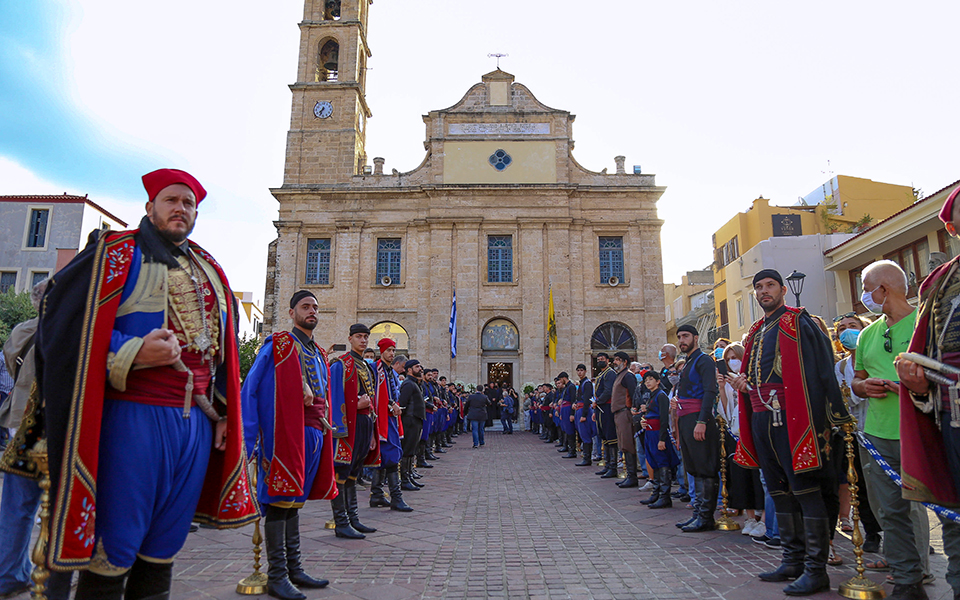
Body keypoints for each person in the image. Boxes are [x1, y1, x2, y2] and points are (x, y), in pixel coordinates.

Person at [36, 169, 258, 599]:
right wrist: (133, 352)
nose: (181, 209)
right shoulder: (115, 253)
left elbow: (221, 354)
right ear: (149, 207)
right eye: (171, 200)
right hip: (133, 416)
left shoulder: (209, 267)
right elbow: (62, 324)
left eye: (188, 203)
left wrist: (225, 411)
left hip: (195, 422)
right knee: (115, 545)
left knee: (164, 546)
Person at [730, 269, 851, 596]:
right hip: (761, 420)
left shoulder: (800, 322)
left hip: (796, 420)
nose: (763, 291)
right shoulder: (756, 330)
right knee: (779, 491)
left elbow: (823, 368)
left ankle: (816, 569)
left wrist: (833, 416)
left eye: (769, 285)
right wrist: (743, 385)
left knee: (806, 490)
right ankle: (792, 559)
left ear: (783, 289)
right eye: (758, 287)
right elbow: (754, 377)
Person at [242, 290, 336, 599]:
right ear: (292, 311)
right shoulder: (279, 345)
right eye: (305, 306)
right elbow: (254, 387)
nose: (311, 311)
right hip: (285, 434)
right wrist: (252, 438)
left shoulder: (318, 352)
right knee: (279, 502)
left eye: (315, 307)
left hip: (314, 434)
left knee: (295, 502)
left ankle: (294, 568)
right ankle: (277, 575)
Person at [897, 184, 960, 600]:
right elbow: (928, 351)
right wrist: (918, 385)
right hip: (952, 414)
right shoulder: (942, 281)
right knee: (955, 515)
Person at [852, 261, 929, 600]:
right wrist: (862, 385)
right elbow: (856, 377)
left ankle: (923, 569)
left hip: (921, 432)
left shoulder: (926, 324)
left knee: (920, 506)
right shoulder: (868, 333)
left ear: (884, 290)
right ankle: (906, 578)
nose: (864, 296)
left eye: (867, 288)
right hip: (877, 436)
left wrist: (913, 386)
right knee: (889, 511)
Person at [0, 280, 73, 600]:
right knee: (58, 503)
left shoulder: (22, 331)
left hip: (19, 424)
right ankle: (52, 575)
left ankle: (8, 574)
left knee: (17, 505)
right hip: (49, 427)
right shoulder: (66, 332)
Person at [833, 313, 883, 554]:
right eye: (842, 328)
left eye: (853, 326)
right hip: (857, 434)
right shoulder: (840, 367)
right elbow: (845, 400)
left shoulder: (877, 356)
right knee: (861, 485)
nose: (847, 331)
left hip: (883, 427)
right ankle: (872, 532)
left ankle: (909, 534)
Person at [328, 323, 379, 539]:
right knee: (342, 472)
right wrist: (354, 407)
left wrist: (374, 433)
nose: (363, 340)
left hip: (365, 423)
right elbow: (334, 396)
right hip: (348, 425)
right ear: (350, 339)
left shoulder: (367, 366)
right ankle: (341, 522)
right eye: (359, 336)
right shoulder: (341, 364)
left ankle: (353, 518)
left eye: (366, 337)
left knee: (354, 473)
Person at [672, 324, 720, 533]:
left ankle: (706, 516)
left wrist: (702, 421)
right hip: (685, 418)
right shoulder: (689, 361)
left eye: (686, 336)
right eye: (680, 337)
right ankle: (698, 513)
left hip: (699, 419)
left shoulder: (704, 361)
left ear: (696, 337)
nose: (682, 340)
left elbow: (710, 391)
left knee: (705, 467)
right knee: (693, 467)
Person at [717, 343, 764, 535]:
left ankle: (763, 518)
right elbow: (726, 410)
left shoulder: (751, 376)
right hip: (736, 433)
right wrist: (722, 387)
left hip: (753, 430)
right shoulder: (728, 382)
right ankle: (750, 517)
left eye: (734, 357)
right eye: (728, 360)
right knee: (741, 477)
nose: (731, 362)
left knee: (758, 478)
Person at [368, 339, 412, 512]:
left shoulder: (388, 371)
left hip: (391, 418)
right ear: (382, 351)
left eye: (393, 350)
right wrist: (389, 404)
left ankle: (377, 493)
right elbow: (376, 394)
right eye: (389, 350)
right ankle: (396, 497)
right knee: (391, 455)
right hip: (381, 420)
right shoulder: (375, 369)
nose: (392, 354)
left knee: (387, 456)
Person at [639, 370, 680, 508]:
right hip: (650, 432)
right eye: (646, 380)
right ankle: (656, 492)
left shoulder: (661, 396)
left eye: (651, 379)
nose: (648, 382)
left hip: (658, 433)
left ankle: (665, 495)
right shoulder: (651, 395)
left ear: (658, 381)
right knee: (654, 461)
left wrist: (662, 439)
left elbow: (663, 419)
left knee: (662, 462)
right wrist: (643, 421)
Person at [609, 352, 640, 488]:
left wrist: (634, 408)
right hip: (618, 413)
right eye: (614, 359)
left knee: (628, 444)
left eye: (618, 360)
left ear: (625, 362)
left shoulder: (628, 376)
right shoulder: (619, 376)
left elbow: (634, 394)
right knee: (623, 444)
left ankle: (632, 476)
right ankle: (628, 474)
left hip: (625, 412)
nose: (614, 362)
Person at [397, 358, 425, 491]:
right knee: (407, 450)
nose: (420, 369)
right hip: (410, 420)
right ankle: (404, 479)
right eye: (417, 367)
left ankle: (409, 475)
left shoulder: (415, 383)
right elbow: (403, 403)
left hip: (416, 419)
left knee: (411, 449)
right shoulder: (408, 384)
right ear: (409, 369)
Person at [593, 352, 619, 478]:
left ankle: (613, 466)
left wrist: (598, 401)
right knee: (603, 436)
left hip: (607, 407)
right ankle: (607, 464)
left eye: (602, 359)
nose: (600, 361)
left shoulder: (610, 373)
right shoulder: (601, 374)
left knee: (610, 437)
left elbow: (608, 391)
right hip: (600, 408)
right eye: (598, 359)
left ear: (608, 360)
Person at [574, 364, 596, 467]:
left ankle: (587, 458)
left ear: (585, 371)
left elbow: (587, 399)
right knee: (582, 434)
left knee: (586, 434)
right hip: (579, 409)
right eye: (578, 370)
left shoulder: (587, 384)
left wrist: (584, 414)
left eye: (581, 370)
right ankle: (586, 457)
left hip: (584, 410)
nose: (579, 372)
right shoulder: (581, 383)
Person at [556, 372, 576, 457]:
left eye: (560, 380)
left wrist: (572, 413)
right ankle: (567, 447)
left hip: (568, 409)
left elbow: (573, 400)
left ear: (564, 378)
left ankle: (572, 450)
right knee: (566, 429)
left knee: (570, 429)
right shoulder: (566, 387)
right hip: (564, 410)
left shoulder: (571, 386)